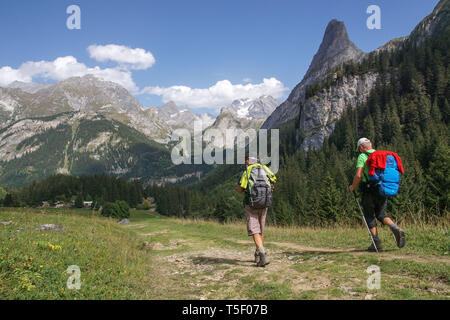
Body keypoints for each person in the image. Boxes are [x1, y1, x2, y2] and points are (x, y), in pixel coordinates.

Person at [348, 138, 406, 251]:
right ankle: (394, 227)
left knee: (369, 215)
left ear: (361, 147)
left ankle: (376, 243)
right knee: (381, 214)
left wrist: (352, 187)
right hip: (382, 188)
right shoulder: (380, 156)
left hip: (369, 190)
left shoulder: (363, 156)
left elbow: (359, 175)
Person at [237, 156, 276, 267]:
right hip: (264, 204)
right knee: (261, 230)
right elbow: (272, 186)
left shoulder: (247, 172)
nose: (245, 162)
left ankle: (263, 254)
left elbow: (239, 191)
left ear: (249, 161)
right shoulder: (265, 169)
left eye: (246, 160)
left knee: (254, 230)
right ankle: (258, 254)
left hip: (251, 204)